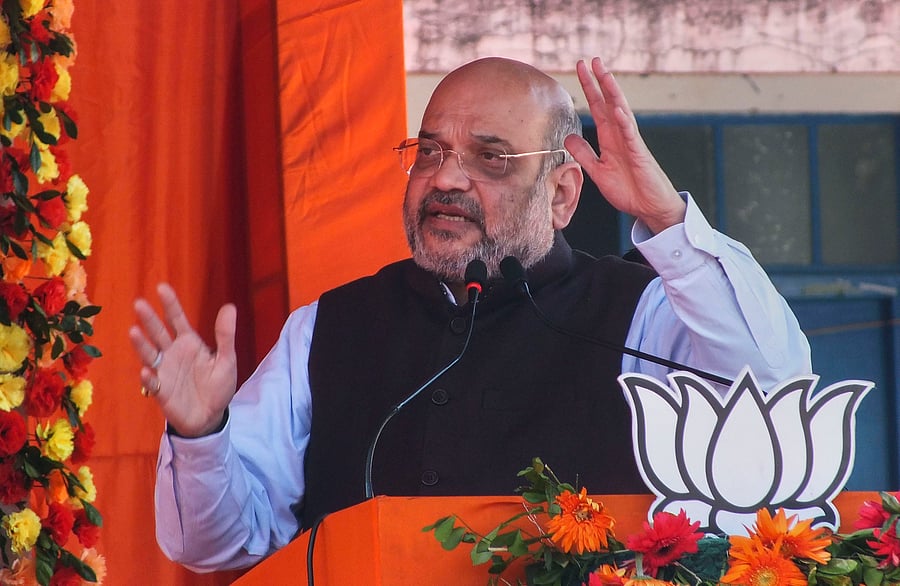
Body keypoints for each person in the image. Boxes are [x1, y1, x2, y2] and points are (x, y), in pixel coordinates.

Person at [129, 56, 811, 571]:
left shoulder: (643, 313)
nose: (446, 179)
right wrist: (201, 434)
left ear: (563, 194)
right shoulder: (328, 327)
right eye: (430, 151)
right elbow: (211, 545)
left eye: (491, 158)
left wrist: (665, 219)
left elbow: (774, 385)